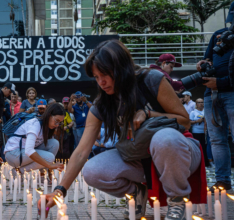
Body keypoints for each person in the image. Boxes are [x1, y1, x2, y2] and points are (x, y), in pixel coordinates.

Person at [39, 40, 205, 220]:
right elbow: (81, 152)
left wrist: (148, 113)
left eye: (105, 74)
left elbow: (185, 121)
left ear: (121, 68)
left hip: (178, 153)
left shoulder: (151, 80)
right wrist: (59, 190)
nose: (101, 82)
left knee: (164, 138)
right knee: (92, 170)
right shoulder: (102, 104)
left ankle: (178, 199)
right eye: (96, 77)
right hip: (140, 157)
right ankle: (136, 192)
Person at [197, 2, 234, 191]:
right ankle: (222, 180)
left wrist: (219, 83)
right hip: (211, 94)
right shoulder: (219, 34)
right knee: (217, 140)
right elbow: (208, 57)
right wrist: (203, 64)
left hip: (230, 92)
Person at [4, 103, 64, 174]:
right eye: (56, 121)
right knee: (49, 158)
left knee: (54, 143)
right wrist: (50, 165)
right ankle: (19, 171)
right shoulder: (35, 124)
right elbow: (29, 150)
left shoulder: (47, 127)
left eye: (60, 123)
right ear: (49, 115)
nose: (57, 125)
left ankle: (43, 172)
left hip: (23, 153)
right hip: (13, 154)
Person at [190, 98, 210, 167]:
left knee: (205, 147)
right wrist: (196, 121)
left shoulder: (206, 111)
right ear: (196, 104)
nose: (201, 104)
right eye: (199, 102)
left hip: (206, 132)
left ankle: (206, 163)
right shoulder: (193, 112)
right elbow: (189, 122)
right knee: (197, 147)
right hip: (196, 132)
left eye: (202, 102)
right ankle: (197, 163)